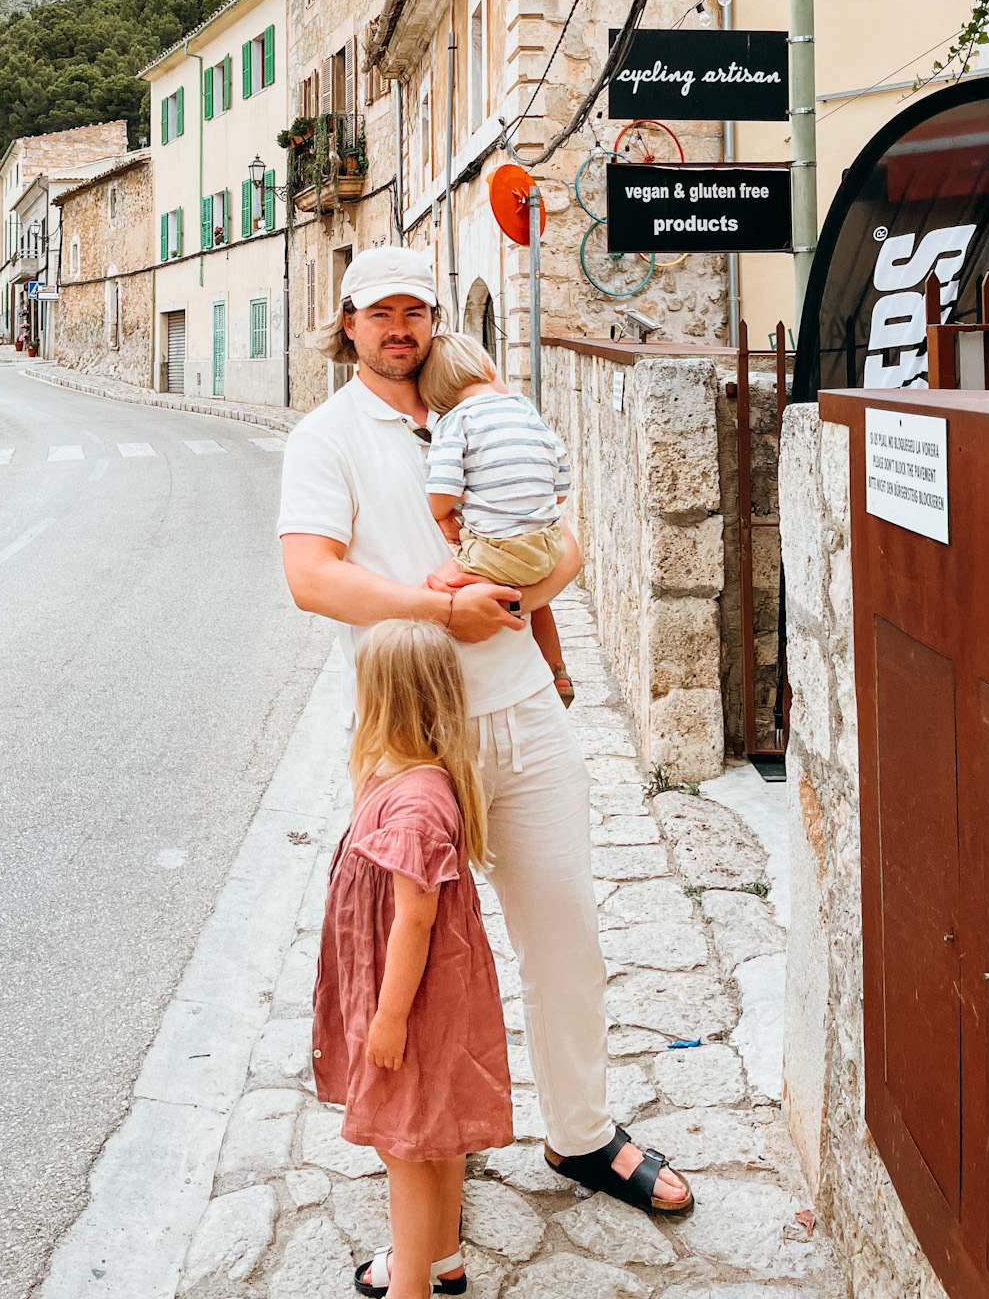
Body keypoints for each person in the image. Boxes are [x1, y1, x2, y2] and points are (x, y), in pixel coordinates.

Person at [278, 247, 691, 1245]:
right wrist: (437, 609)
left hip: (521, 714)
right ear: (347, 322)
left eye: (415, 309)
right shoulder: (327, 436)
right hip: (411, 740)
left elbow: (564, 536)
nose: (401, 327)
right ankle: (429, 1194)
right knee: (412, 967)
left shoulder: (487, 410)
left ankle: (581, 1132)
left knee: (565, 934)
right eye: (381, 312)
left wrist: (519, 594)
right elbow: (312, 576)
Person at [314, 619, 510, 1299]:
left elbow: (417, 917)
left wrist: (389, 1016)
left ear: (384, 699)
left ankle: (411, 1287)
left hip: (414, 995)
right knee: (438, 1131)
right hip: (422, 988)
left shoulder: (417, 804)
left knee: (405, 1145)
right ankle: (440, 1259)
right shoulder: (399, 776)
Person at [420, 329, 575, 708]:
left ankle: (440, 689)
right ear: (488, 366)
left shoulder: (455, 422)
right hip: (545, 545)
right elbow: (562, 475)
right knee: (538, 600)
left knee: (435, 589)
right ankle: (556, 673)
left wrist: (443, 517)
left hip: (495, 550)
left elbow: (442, 489)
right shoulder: (525, 410)